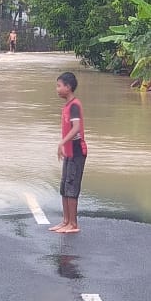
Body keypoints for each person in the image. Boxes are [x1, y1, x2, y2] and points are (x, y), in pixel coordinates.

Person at [50, 72, 87, 234]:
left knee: (72, 187)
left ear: (68, 87)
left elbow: (76, 128)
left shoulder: (74, 105)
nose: (57, 89)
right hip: (69, 152)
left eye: (59, 86)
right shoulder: (67, 106)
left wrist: (62, 142)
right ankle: (65, 221)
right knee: (65, 186)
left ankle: (73, 223)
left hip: (77, 151)